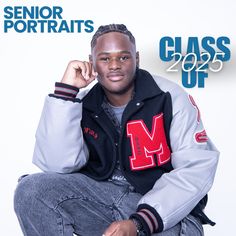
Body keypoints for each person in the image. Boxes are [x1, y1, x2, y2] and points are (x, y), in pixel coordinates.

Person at [14, 24, 219, 236]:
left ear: (136, 59)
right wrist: (67, 93)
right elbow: (57, 165)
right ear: (92, 62)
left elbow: (196, 168)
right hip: (101, 202)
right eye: (104, 58)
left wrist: (140, 222)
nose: (114, 65)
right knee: (32, 190)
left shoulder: (169, 96)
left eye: (123, 57)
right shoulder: (82, 105)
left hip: (166, 212)